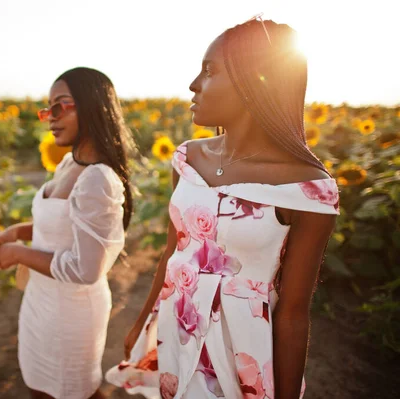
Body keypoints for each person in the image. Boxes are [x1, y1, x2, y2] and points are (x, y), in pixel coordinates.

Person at [106, 17, 339, 399]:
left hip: (240, 353)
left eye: (209, 70)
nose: (193, 84)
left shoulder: (307, 188)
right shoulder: (187, 158)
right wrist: (142, 325)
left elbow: (294, 313)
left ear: (254, 82)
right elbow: (172, 254)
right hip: (175, 327)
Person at [0, 67, 133, 399]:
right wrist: (17, 232)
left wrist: (17, 253)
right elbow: (64, 227)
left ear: (93, 105)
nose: (50, 117)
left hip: (70, 310)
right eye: (47, 109)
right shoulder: (70, 164)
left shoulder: (97, 178)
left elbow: (86, 269)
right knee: (41, 387)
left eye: (61, 106)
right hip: (41, 299)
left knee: (73, 391)